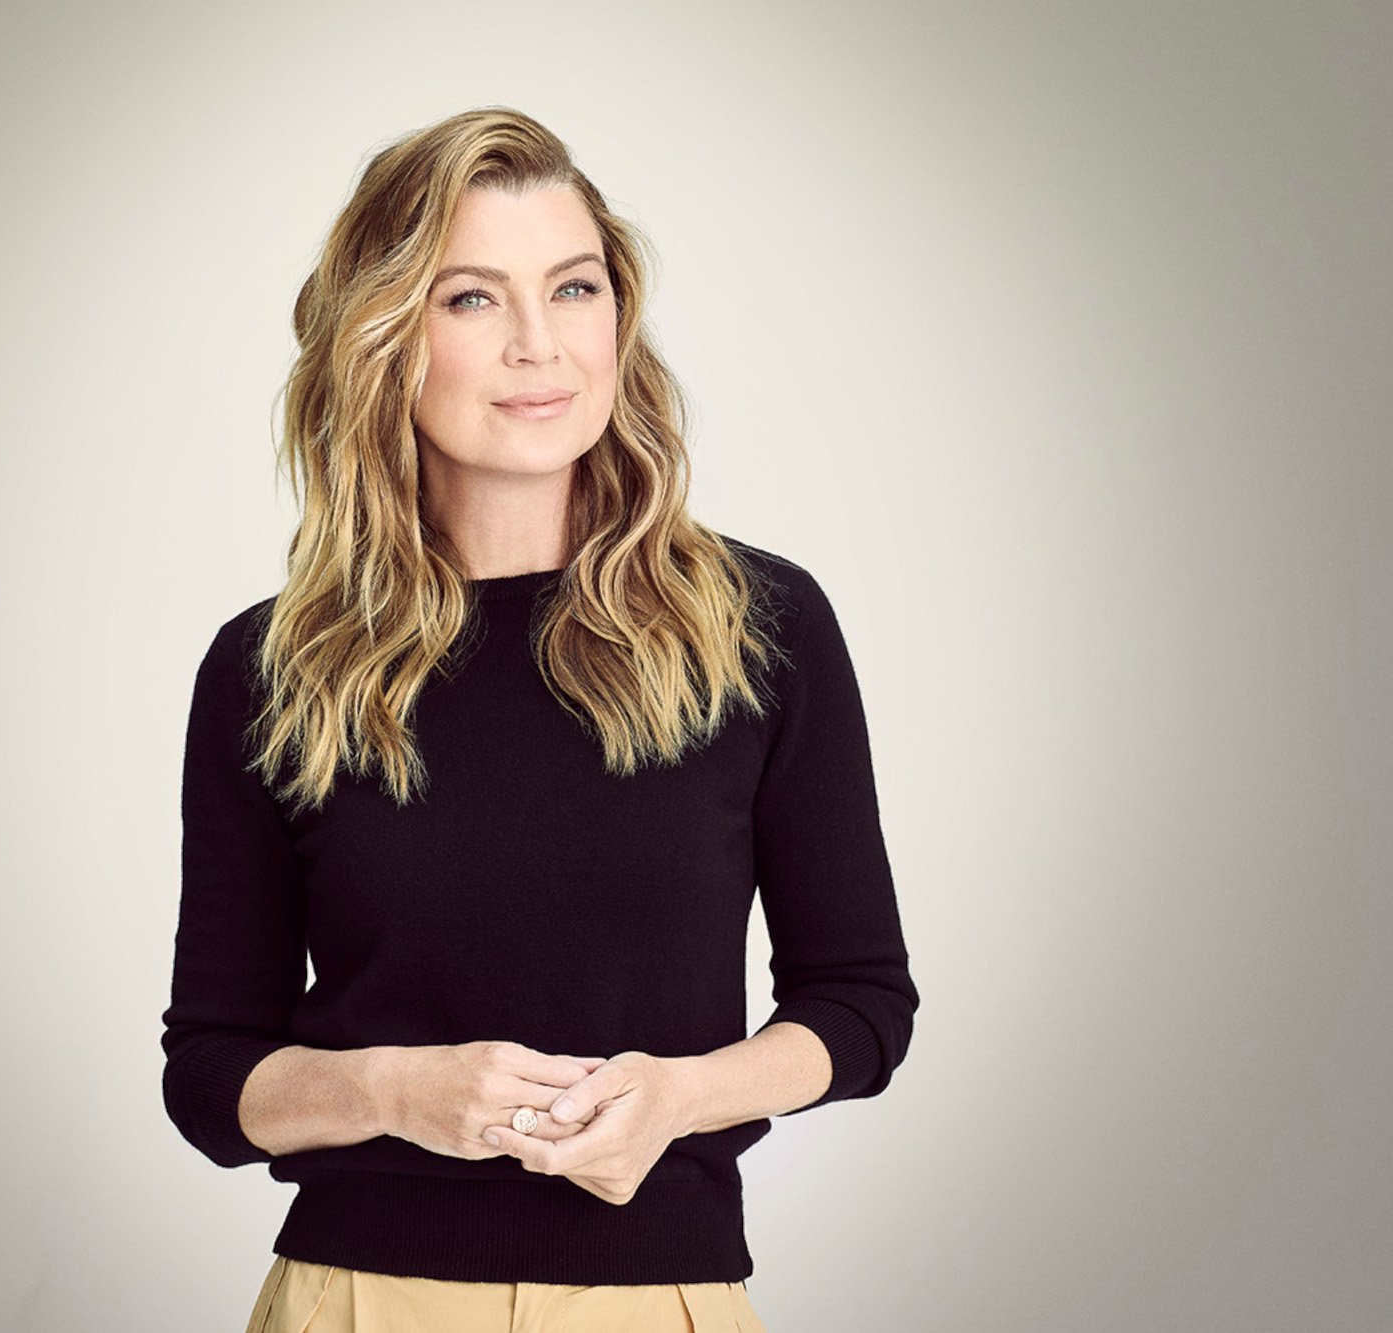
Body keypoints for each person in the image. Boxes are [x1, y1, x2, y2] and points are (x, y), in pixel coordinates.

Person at [159, 106, 920, 1333]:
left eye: (573, 288)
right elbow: (210, 1074)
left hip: (658, 1299)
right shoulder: (274, 668)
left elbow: (860, 1004)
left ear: (617, 316)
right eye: (471, 298)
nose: (538, 344)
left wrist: (680, 1099)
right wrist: (395, 1092)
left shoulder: (760, 628)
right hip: (357, 1303)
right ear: (383, 338)